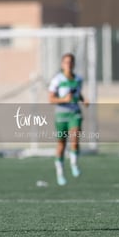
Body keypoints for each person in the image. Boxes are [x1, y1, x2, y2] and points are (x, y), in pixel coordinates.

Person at [48, 53, 89, 186]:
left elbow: (77, 93)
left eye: (70, 62)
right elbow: (51, 99)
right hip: (61, 115)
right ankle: (60, 173)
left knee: (75, 138)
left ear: (73, 64)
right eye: (66, 62)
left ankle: (74, 164)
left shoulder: (78, 79)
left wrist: (83, 100)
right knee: (61, 145)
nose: (68, 64)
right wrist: (63, 99)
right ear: (62, 64)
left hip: (74, 113)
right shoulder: (57, 79)